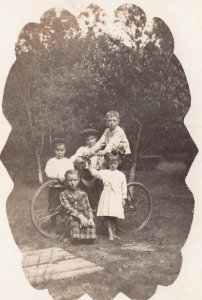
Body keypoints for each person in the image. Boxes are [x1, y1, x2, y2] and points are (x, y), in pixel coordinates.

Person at [89, 153, 127, 241]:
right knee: (109, 216)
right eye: (111, 163)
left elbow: (124, 187)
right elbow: (94, 173)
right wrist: (90, 164)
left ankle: (113, 233)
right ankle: (110, 234)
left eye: (115, 163)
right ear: (108, 164)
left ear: (118, 163)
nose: (113, 165)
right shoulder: (105, 173)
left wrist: (123, 198)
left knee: (114, 216)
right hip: (108, 197)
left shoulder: (121, 175)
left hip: (116, 197)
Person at [45, 136, 74, 229]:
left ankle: (65, 226)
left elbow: (71, 172)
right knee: (53, 206)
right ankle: (53, 225)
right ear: (54, 150)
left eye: (62, 150)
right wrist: (57, 176)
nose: (60, 152)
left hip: (65, 188)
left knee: (65, 206)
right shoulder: (51, 161)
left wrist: (65, 178)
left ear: (65, 150)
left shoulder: (68, 162)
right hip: (54, 187)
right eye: (58, 150)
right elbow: (48, 172)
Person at [59, 169, 96, 242]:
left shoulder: (83, 193)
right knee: (73, 220)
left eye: (75, 180)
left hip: (82, 214)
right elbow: (68, 208)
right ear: (66, 181)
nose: (72, 183)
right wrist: (81, 217)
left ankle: (86, 237)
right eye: (70, 180)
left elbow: (87, 207)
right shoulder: (63, 194)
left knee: (90, 223)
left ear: (79, 180)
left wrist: (90, 218)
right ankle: (73, 236)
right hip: (69, 215)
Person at [70, 128, 102, 210]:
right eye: (87, 139)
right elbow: (72, 159)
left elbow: (102, 165)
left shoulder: (99, 151)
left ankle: (94, 208)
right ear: (85, 140)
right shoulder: (82, 149)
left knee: (95, 194)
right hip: (85, 174)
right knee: (82, 193)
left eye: (92, 139)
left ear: (96, 139)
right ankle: (84, 209)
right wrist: (77, 160)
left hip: (96, 175)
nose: (90, 141)